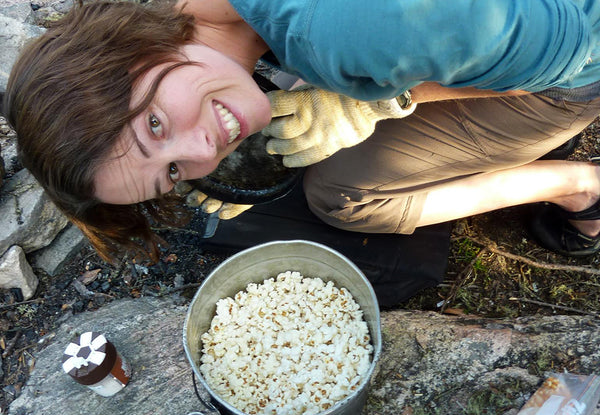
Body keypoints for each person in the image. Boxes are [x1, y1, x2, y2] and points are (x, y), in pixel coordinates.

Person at [4, 0, 600, 264]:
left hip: (571, 71)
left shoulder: (341, 34)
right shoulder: (176, 15)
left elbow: (574, 48)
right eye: (172, 172)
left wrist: (381, 95)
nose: (203, 150)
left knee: (340, 196)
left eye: (156, 125)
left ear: (124, 50)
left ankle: (579, 187)